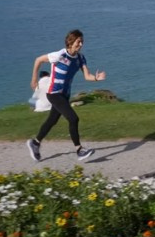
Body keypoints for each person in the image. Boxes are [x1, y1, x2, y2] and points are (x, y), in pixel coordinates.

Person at [26, 30, 104, 162]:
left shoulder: (80, 58)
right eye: (78, 41)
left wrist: (96, 78)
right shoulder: (60, 55)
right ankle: (79, 150)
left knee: (52, 120)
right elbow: (38, 60)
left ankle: (35, 143)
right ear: (70, 42)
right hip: (54, 94)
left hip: (64, 95)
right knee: (73, 119)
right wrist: (34, 79)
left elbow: (87, 76)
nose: (81, 44)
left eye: (82, 41)